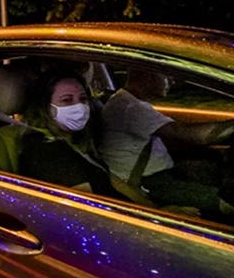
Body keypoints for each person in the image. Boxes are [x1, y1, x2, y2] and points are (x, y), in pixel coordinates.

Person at [98, 69, 234, 214]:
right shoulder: (130, 107)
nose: (172, 81)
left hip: (160, 174)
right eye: (166, 75)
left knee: (216, 174)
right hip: (149, 182)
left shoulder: (130, 102)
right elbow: (195, 135)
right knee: (225, 202)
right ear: (147, 76)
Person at [18, 69, 126, 200]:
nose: (79, 106)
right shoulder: (45, 152)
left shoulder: (75, 141)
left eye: (82, 98)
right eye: (67, 100)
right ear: (45, 108)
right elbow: (87, 208)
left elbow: (114, 184)